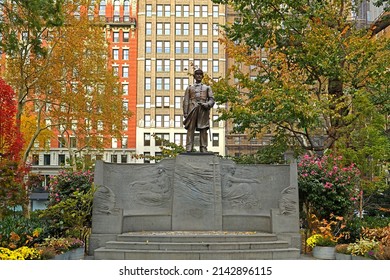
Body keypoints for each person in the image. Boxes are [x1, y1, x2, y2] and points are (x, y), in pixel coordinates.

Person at [183, 69, 215, 152]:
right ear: (194, 76)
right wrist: (185, 113)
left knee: (203, 129)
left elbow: (212, 100)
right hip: (192, 109)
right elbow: (186, 100)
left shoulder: (207, 87)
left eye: (200, 74)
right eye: (197, 74)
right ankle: (189, 147)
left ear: (202, 76)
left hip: (203, 109)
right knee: (191, 128)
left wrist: (207, 104)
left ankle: (203, 147)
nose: (199, 76)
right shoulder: (189, 88)